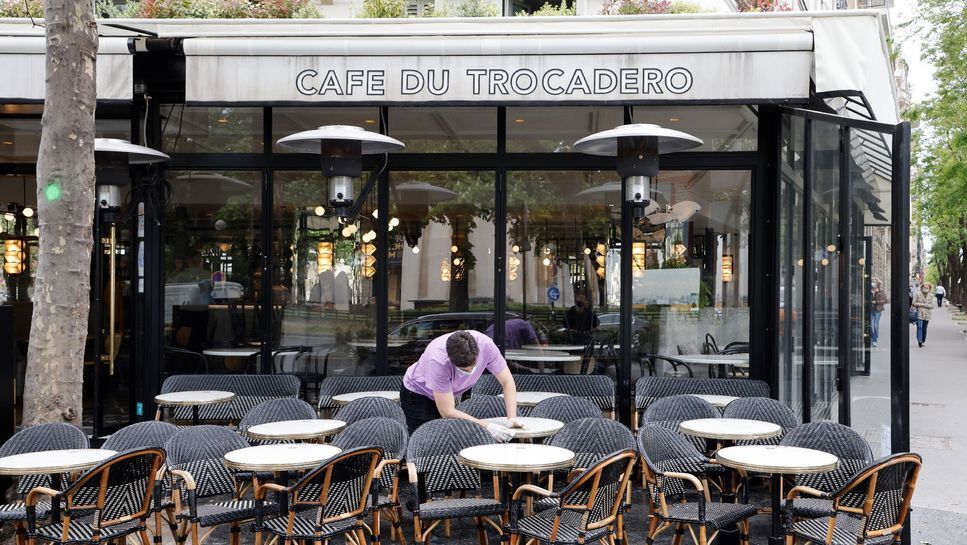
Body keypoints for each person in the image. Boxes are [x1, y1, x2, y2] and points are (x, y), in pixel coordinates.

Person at [401, 330, 522, 440]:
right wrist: (487, 427)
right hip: (418, 392)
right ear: (450, 359)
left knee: (449, 438)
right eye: (463, 370)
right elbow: (447, 412)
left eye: (472, 367)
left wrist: (512, 418)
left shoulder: (487, 346)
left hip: (449, 392)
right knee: (426, 440)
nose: (469, 372)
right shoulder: (438, 360)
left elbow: (507, 382)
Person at [912, 283, 933, 348]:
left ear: (929, 289)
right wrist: (925, 305)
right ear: (922, 288)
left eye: (927, 288)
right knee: (920, 327)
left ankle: (923, 340)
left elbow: (932, 306)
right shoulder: (917, 294)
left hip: (927, 314)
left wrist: (922, 305)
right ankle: (920, 341)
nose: (925, 289)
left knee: (924, 328)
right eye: (924, 287)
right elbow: (913, 303)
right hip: (919, 313)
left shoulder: (931, 295)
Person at [870, 280, 888, 347]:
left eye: (875, 282)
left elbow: (886, 300)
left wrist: (877, 302)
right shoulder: (870, 291)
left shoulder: (881, 291)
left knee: (875, 325)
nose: (873, 284)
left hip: (878, 310)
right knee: (870, 325)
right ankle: (872, 337)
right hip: (870, 310)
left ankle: (875, 340)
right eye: (873, 282)